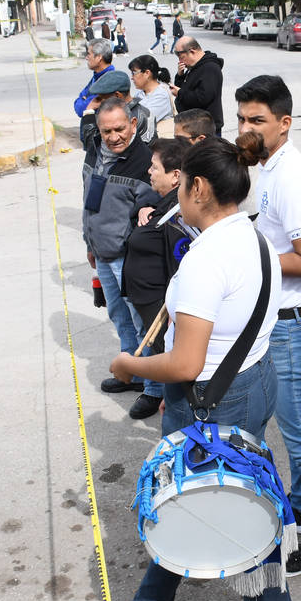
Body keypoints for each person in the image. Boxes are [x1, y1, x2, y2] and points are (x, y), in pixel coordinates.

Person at [107, 133, 291, 601]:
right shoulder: (255, 238)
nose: (176, 193)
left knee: (186, 500)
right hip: (255, 379)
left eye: (181, 183)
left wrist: (129, 365)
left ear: (199, 188)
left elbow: (185, 364)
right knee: (250, 491)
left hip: (209, 398)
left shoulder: (206, 260)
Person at [234, 75, 301, 576]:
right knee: (294, 434)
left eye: (257, 120)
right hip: (277, 323)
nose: (246, 129)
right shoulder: (269, 169)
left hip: (293, 328)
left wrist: (248, 257)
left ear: (284, 122)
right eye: (241, 119)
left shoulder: (292, 177)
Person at [81, 99, 162, 401]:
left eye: (119, 129)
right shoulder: (93, 150)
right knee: (119, 316)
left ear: (133, 124)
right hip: (102, 253)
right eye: (107, 131)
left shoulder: (145, 161)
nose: (114, 137)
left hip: (128, 257)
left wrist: (146, 207)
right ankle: (132, 373)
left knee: (141, 322)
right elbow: (89, 200)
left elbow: (152, 202)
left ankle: (154, 387)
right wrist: (90, 243)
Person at [120, 136, 193, 419]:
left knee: (170, 361)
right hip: (147, 301)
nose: (148, 171)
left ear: (175, 175)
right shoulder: (163, 204)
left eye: (154, 167)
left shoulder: (179, 214)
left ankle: (179, 416)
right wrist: (143, 208)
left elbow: (179, 267)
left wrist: (174, 315)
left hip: (162, 308)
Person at [79, 69, 156, 150]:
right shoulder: (141, 110)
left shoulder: (126, 118)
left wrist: (89, 112)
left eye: (101, 98)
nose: (98, 103)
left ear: (117, 96)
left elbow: (94, 149)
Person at [171, 36, 225, 136]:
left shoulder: (210, 68)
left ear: (192, 52)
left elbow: (202, 98)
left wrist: (180, 93)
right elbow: (184, 87)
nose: (181, 62)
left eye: (182, 58)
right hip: (191, 127)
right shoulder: (193, 67)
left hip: (205, 130)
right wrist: (180, 76)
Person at [129, 55, 175, 133]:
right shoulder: (140, 93)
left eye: (134, 73)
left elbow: (142, 121)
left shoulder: (161, 95)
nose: (132, 77)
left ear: (147, 73)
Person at [74, 38, 115, 117]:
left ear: (99, 58)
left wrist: (85, 100)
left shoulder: (107, 80)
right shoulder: (97, 76)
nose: (87, 57)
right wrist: (84, 100)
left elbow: (82, 110)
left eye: (89, 54)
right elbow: (81, 95)